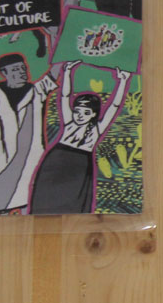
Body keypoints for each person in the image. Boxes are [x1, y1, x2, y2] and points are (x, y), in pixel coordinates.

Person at [28, 61, 132, 214]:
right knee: (45, 197)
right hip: (57, 159)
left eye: (86, 113)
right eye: (77, 111)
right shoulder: (69, 122)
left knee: (74, 200)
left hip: (80, 164)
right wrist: (68, 72)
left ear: (94, 114)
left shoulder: (96, 129)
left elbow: (114, 106)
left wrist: (123, 81)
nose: (80, 116)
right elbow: (65, 96)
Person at [0, 52, 59, 213]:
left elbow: (56, 70)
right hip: (3, 162)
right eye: (16, 69)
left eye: (23, 68)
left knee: (30, 204)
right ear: (4, 73)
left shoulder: (37, 90)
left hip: (32, 159)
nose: (22, 72)